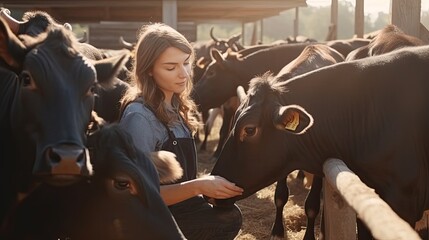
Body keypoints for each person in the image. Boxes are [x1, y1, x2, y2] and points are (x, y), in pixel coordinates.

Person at [119, 22, 243, 240]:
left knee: (229, 215)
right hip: (148, 219)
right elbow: (135, 192)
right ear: (148, 70)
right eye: (170, 67)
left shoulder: (176, 106)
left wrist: (206, 188)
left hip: (175, 208)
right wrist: (199, 186)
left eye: (186, 63)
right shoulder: (139, 117)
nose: (183, 74)